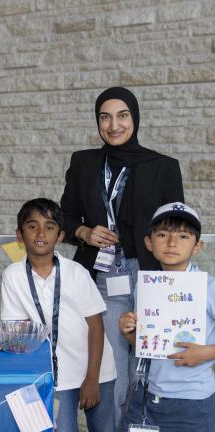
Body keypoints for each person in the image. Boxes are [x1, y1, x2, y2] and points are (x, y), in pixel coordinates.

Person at [60, 87, 184, 422]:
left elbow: (176, 225)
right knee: (109, 370)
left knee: (147, 367)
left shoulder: (164, 167)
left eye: (122, 115)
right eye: (105, 116)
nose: (114, 125)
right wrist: (85, 232)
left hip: (152, 276)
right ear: (98, 121)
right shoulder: (84, 162)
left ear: (135, 118)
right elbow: (65, 216)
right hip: (104, 277)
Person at [0, 198, 117, 431]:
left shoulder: (76, 272)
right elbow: (19, 330)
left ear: (60, 236)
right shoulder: (12, 276)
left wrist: (92, 377)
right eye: (32, 226)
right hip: (54, 376)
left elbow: (96, 326)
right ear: (19, 235)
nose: (41, 233)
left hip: (96, 369)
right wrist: (1, 338)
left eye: (49, 227)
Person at [118, 202, 215, 430]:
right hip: (146, 396)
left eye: (183, 236)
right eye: (162, 234)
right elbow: (146, 344)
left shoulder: (208, 287)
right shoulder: (146, 287)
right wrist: (129, 332)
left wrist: (206, 353)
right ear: (149, 243)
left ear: (197, 246)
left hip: (193, 401)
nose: (171, 243)